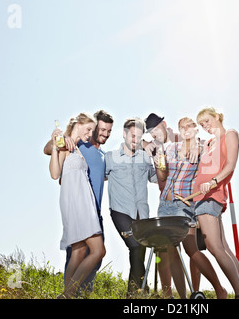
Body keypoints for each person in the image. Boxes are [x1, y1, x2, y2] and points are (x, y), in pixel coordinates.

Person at [154, 117, 227, 299]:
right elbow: (163, 177)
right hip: (164, 205)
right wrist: (159, 163)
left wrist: (197, 148)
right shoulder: (170, 148)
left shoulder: (204, 150)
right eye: (182, 127)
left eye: (189, 126)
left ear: (196, 129)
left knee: (190, 249)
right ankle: (169, 297)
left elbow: (213, 169)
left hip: (184, 205)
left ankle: (219, 289)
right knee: (165, 250)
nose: (186, 129)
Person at [44, 110, 113, 292]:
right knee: (98, 251)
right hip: (79, 204)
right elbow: (54, 174)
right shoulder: (66, 144)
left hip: (86, 203)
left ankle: (66, 295)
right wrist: (56, 143)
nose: (91, 134)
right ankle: (69, 294)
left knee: (79, 251)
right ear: (78, 124)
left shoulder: (78, 147)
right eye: (89, 129)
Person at [193, 107, 239, 299]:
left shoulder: (230, 135)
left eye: (207, 121)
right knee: (223, 248)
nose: (205, 126)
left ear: (217, 117)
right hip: (200, 197)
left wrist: (212, 182)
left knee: (214, 247)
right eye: (202, 124)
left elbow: (230, 165)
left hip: (211, 195)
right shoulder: (209, 143)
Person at [105, 118, 157, 297]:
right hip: (120, 211)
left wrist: (157, 155)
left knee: (140, 248)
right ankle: (133, 294)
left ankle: (142, 289)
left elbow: (155, 178)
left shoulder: (145, 158)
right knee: (135, 246)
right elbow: (99, 177)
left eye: (139, 137)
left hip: (142, 213)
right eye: (133, 135)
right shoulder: (110, 157)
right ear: (124, 134)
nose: (135, 140)